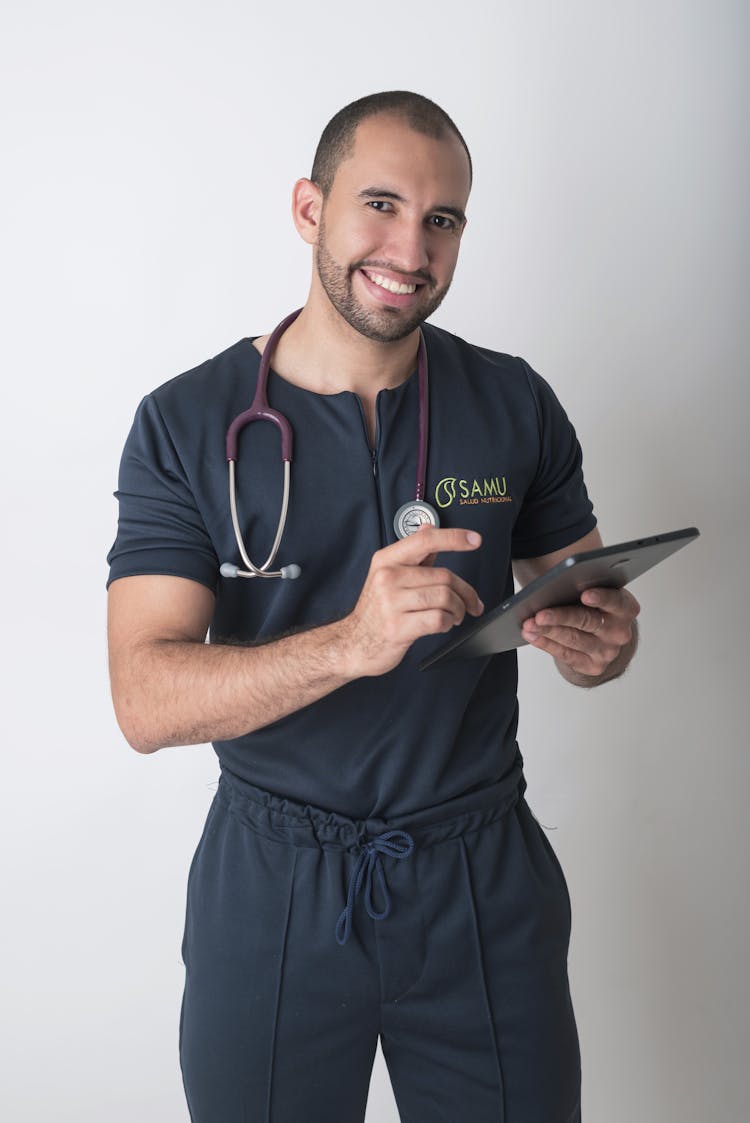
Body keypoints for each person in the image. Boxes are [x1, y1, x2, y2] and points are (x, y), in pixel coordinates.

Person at [107, 91, 639, 1123]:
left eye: (443, 219)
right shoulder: (186, 423)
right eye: (381, 205)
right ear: (310, 209)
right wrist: (350, 643)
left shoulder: (512, 402)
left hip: (480, 875)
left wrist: (602, 645)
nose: (410, 246)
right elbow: (143, 698)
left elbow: (587, 594)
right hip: (272, 888)